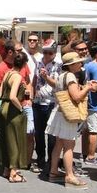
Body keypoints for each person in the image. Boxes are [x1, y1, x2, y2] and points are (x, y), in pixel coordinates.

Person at [46, 52, 97, 188]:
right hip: (67, 116)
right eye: (78, 62)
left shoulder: (61, 76)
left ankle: (53, 171)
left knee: (58, 144)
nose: (81, 64)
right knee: (69, 146)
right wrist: (87, 87)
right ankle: (69, 175)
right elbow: (76, 97)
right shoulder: (70, 76)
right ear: (72, 65)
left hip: (59, 112)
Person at [0, 52, 29, 183]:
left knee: (6, 140)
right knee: (16, 140)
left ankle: (6, 168)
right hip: (13, 111)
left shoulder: (7, 73)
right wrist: (21, 108)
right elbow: (12, 96)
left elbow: (0, 94)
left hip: (3, 109)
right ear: (24, 64)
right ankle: (14, 173)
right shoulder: (17, 76)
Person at [32, 42, 60, 176]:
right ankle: (40, 158)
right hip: (38, 102)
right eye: (45, 52)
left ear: (55, 53)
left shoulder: (58, 65)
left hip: (51, 102)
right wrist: (31, 94)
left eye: (50, 52)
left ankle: (51, 160)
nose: (47, 55)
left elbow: (57, 84)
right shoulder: (38, 63)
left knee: (51, 134)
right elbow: (35, 79)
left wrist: (46, 77)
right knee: (38, 133)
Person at [82, 44, 97, 166]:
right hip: (94, 103)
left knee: (86, 130)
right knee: (94, 131)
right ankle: (91, 156)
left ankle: (85, 154)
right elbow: (95, 87)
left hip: (88, 102)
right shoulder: (95, 67)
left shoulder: (87, 64)